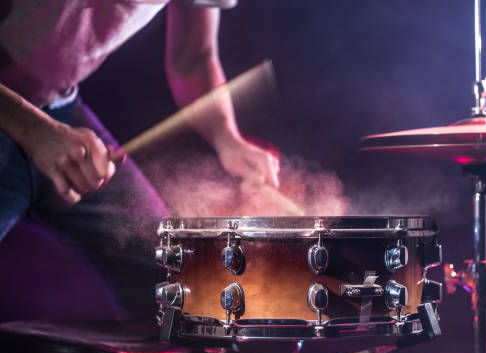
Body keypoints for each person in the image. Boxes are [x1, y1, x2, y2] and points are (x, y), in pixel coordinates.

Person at [0, 0, 280, 321]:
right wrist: (32, 129)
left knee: (182, 290)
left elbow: (194, 59)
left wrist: (227, 138)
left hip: (59, 110)